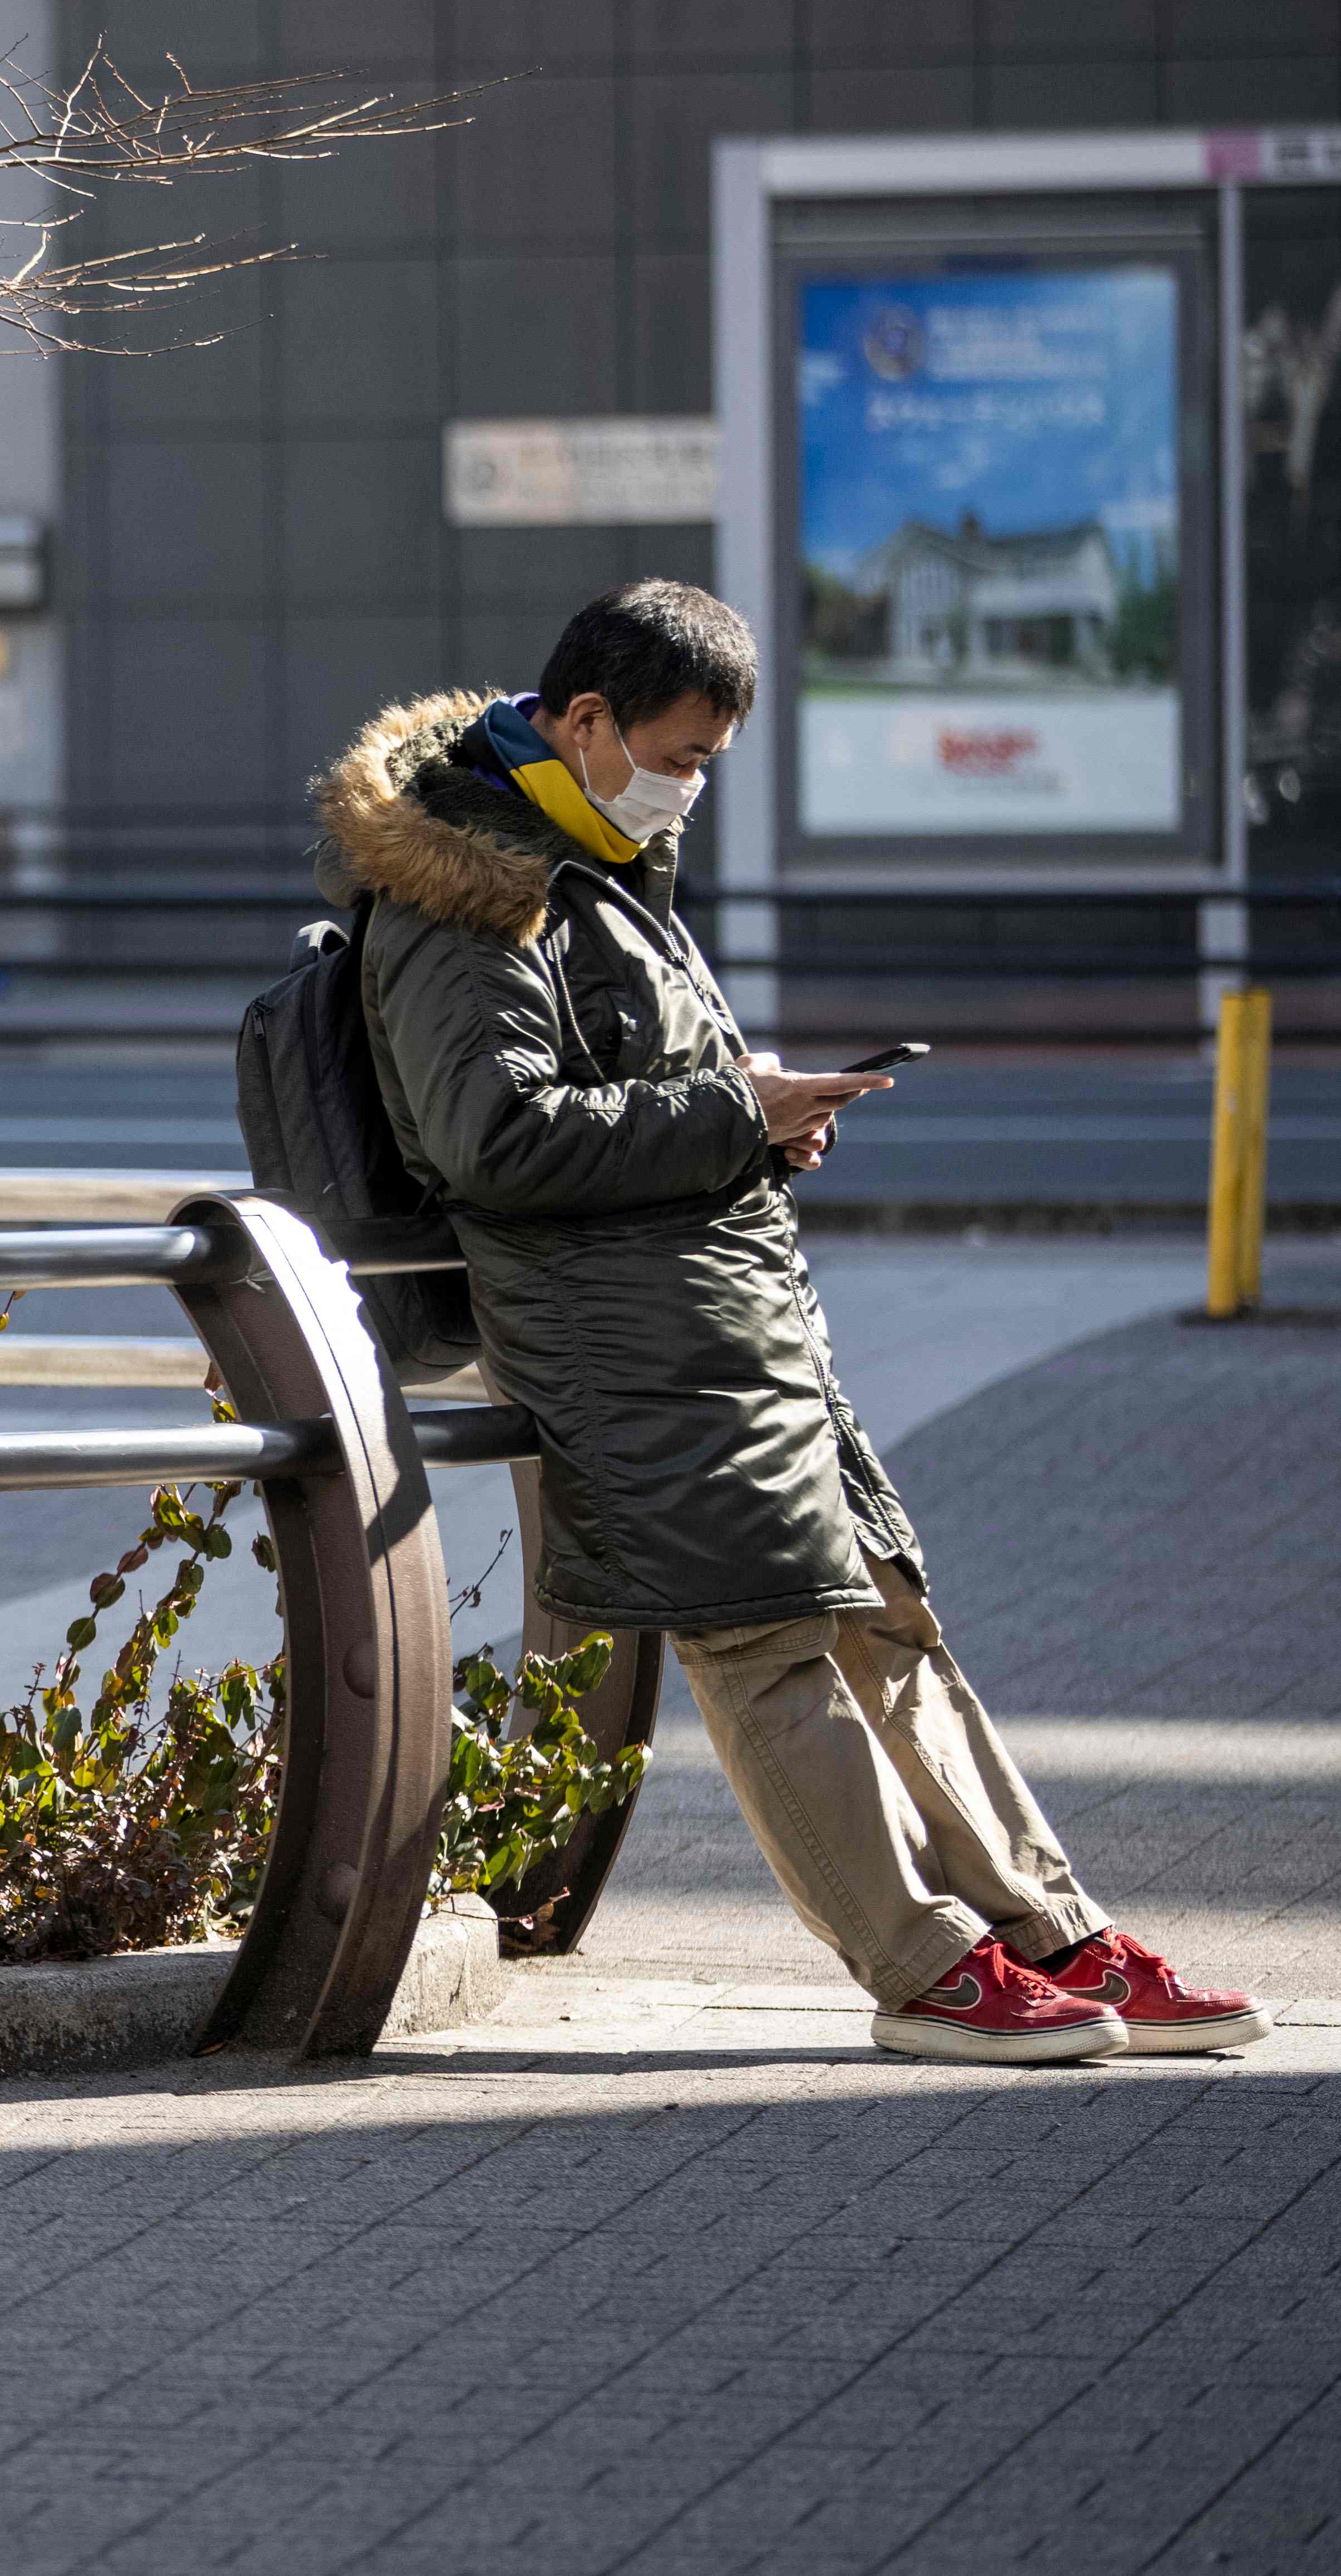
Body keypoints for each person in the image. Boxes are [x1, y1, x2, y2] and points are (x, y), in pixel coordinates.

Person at [314, 579, 1265, 2067]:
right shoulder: (467, 887)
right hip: (617, 1331)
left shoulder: (594, 849)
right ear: (584, 722)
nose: (690, 785)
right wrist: (731, 1112)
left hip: (728, 1308)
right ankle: (924, 1970)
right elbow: (491, 1138)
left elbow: (626, 1070)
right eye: (680, 753)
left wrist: (755, 1112)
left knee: (890, 1620)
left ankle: (1049, 1933)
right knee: (764, 1644)